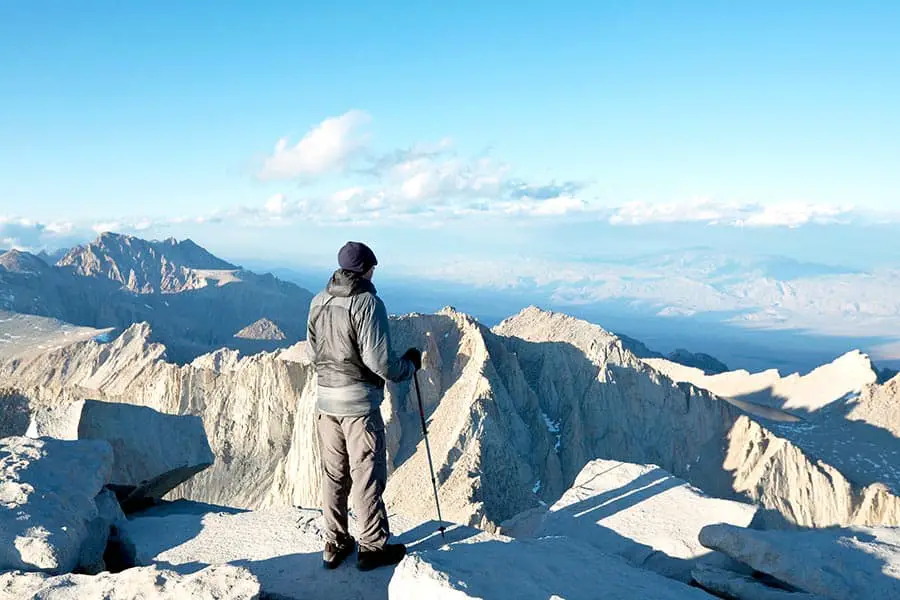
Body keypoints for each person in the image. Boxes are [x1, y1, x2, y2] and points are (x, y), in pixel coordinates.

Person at [306, 241, 422, 571]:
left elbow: (313, 351)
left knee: (334, 474)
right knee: (366, 474)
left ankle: (334, 543)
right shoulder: (368, 303)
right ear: (366, 269)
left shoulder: (319, 300)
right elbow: (379, 360)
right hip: (358, 406)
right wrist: (409, 366)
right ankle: (371, 548)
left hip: (326, 401)